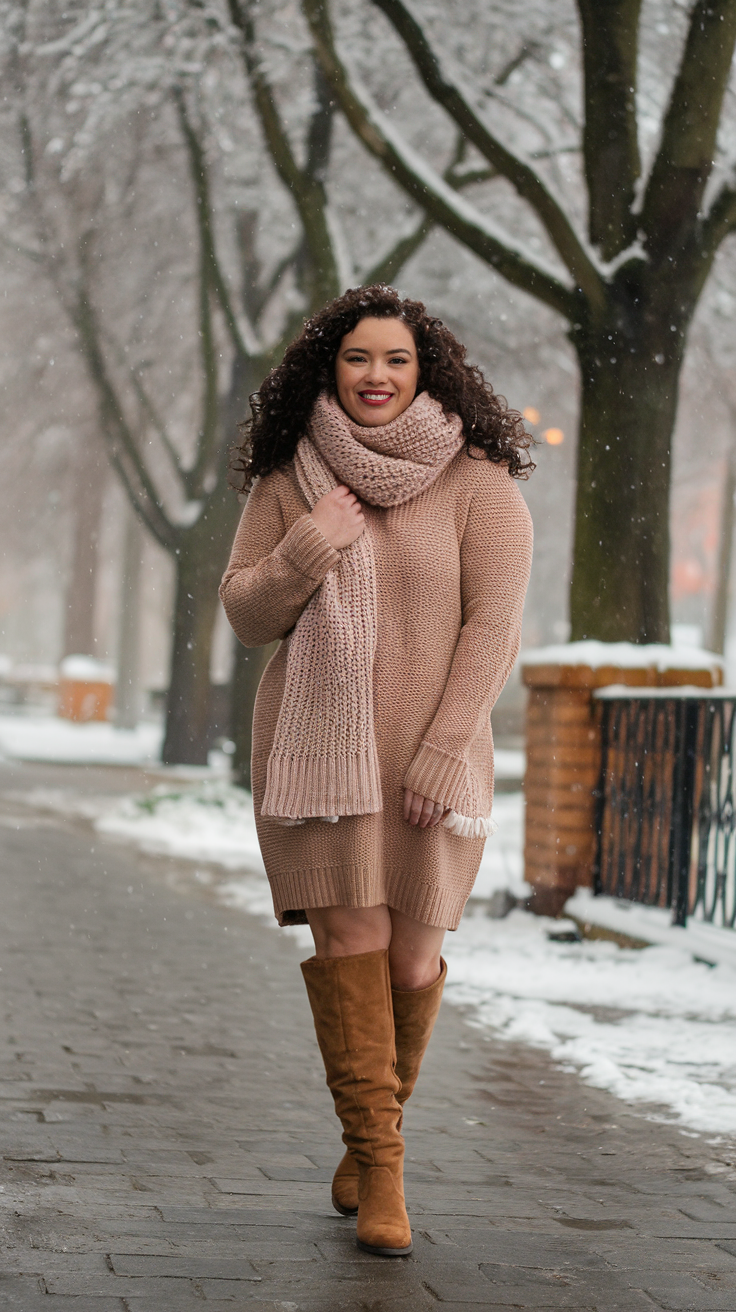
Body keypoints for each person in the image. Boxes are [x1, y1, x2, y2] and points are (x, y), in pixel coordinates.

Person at [220, 284, 533, 1258]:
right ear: (331, 366)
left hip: (434, 757)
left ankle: (368, 1140)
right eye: (358, 357)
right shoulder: (291, 475)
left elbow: (493, 629)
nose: (376, 375)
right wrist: (312, 543)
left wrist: (442, 748)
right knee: (351, 944)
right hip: (320, 757)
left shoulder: (480, 482)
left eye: (397, 359)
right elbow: (246, 612)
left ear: (426, 370)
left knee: (410, 964)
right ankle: (383, 1167)